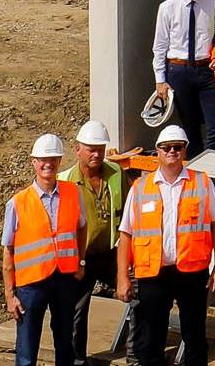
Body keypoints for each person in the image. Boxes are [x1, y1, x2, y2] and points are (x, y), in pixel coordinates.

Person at [119, 126, 215, 366]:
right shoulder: (140, 187)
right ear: (157, 151)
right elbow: (125, 234)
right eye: (166, 147)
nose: (172, 152)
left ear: (184, 150)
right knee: (151, 338)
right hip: (153, 273)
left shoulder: (202, 182)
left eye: (177, 147)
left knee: (194, 335)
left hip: (191, 271)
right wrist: (122, 278)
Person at [3, 133, 84, 366]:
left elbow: (82, 228)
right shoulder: (18, 202)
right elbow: (8, 250)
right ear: (34, 163)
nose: (48, 164)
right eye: (42, 160)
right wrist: (10, 295)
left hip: (64, 279)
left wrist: (81, 262)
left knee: (65, 345)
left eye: (53, 159)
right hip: (31, 284)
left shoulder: (72, 193)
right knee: (27, 350)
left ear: (60, 161)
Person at [60, 120, 134, 366]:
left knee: (138, 294)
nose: (96, 154)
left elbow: (129, 215)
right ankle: (77, 359)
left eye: (100, 149)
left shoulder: (116, 174)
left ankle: (135, 353)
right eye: (90, 149)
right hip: (80, 255)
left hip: (112, 252)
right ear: (78, 150)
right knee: (76, 311)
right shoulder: (65, 182)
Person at [151, 0, 215, 155]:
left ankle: (212, 174)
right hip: (179, 71)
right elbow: (159, 47)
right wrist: (160, 80)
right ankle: (196, 175)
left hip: (206, 70)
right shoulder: (167, 7)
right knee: (191, 129)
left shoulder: (212, 0)